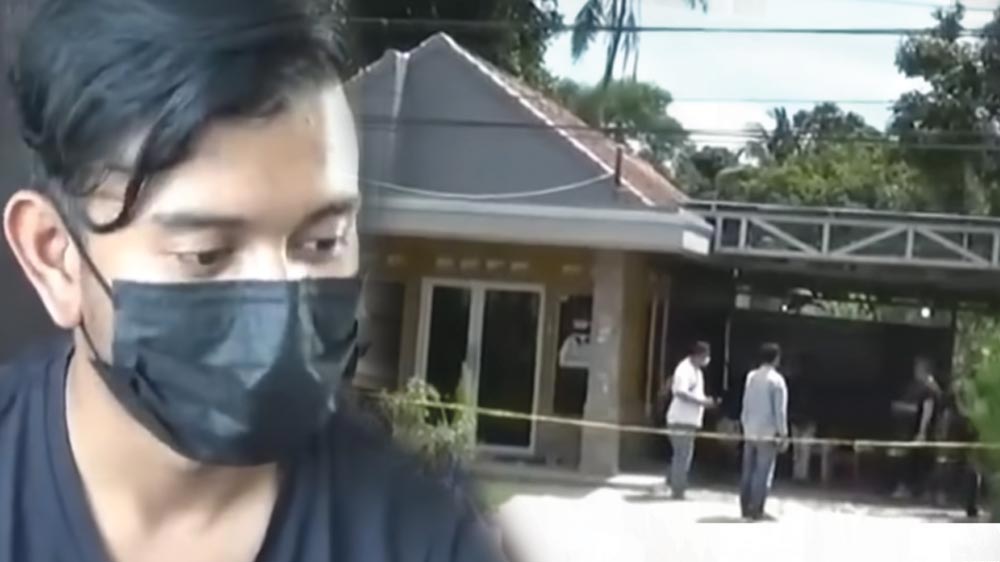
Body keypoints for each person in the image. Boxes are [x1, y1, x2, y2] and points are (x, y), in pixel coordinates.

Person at [0, 1, 501, 560]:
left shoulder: (421, 534)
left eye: (323, 242)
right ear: (55, 257)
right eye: (206, 254)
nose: (279, 316)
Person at [740, 343, 788, 521]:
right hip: (767, 432)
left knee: (747, 470)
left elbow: (745, 403)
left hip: (750, 430)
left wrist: (744, 424)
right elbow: (779, 411)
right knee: (763, 472)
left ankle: (745, 507)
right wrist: (783, 434)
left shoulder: (751, 377)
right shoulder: (777, 381)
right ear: (776, 359)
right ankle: (757, 508)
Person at [664, 341, 717, 499]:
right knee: (683, 455)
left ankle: (672, 481)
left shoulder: (697, 371)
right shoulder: (684, 369)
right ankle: (678, 489)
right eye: (705, 356)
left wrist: (705, 400)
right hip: (680, 419)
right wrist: (701, 402)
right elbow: (680, 392)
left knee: (681, 454)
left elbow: (695, 393)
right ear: (699, 355)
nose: (707, 360)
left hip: (689, 420)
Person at [889, 357, 942, 500]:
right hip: (917, 431)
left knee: (919, 462)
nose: (915, 372)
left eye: (918, 368)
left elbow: (927, 410)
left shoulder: (930, 389)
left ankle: (915, 489)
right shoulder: (923, 387)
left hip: (924, 433)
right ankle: (916, 490)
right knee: (915, 461)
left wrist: (922, 432)